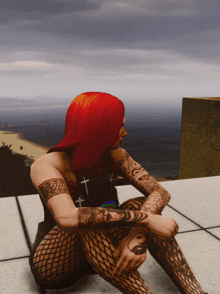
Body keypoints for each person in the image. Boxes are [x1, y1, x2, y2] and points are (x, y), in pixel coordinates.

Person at [29, 92, 205, 294]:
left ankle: (195, 292)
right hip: (56, 262)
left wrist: (137, 235)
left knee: (139, 205)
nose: (125, 133)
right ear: (100, 128)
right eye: (119, 126)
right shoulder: (47, 165)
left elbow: (159, 192)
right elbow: (67, 217)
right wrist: (146, 220)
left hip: (101, 249)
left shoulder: (115, 155)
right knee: (87, 221)